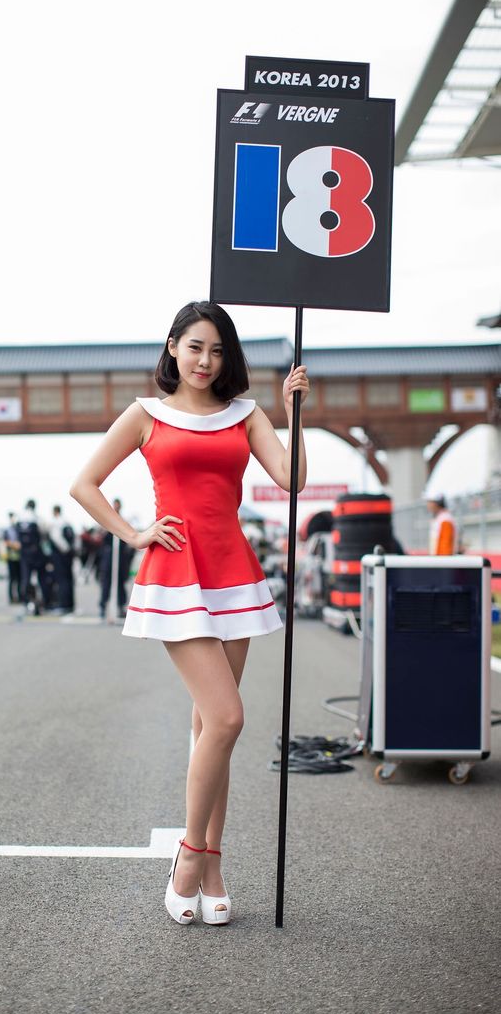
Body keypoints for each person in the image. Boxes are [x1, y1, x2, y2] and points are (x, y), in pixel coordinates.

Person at [70, 301, 309, 926]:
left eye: (219, 351)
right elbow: (84, 484)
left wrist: (292, 416)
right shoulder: (145, 415)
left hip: (234, 577)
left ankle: (214, 865)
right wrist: (134, 532)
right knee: (228, 718)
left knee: (211, 730)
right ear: (173, 347)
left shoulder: (246, 414)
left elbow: (291, 479)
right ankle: (188, 856)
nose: (207, 361)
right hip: (177, 576)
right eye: (196, 347)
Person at [15, 499, 53, 615]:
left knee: (25, 579)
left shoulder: (19, 519)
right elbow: (45, 533)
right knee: (42, 579)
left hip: (24, 554)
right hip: (37, 553)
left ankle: (27, 601)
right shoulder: (37, 518)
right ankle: (45, 602)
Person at [98, 498, 132, 620]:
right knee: (106, 582)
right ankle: (103, 607)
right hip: (108, 556)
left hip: (121, 557)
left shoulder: (124, 521)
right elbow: (100, 536)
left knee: (120, 583)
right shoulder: (106, 520)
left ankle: (121, 606)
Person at [48, 504, 76, 614]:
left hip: (60, 555)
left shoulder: (56, 523)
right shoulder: (67, 522)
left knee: (61, 580)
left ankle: (63, 604)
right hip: (68, 556)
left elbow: (57, 539)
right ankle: (70, 604)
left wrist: (65, 550)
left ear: (54, 512)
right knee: (69, 579)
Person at [3, 512, 22, 604]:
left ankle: (19, 596)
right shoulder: (7, 530)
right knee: (12, 579)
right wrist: (14, 545)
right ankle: (11, 598)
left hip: (20, 557)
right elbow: (5, 542)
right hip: (11, 557)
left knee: (19, 578)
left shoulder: (19, 529)